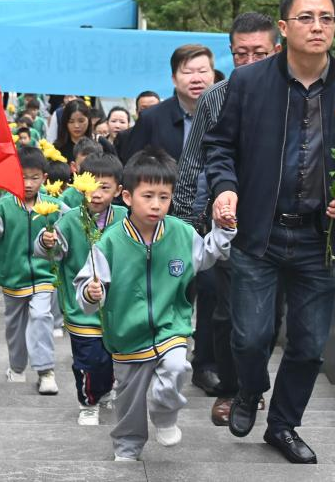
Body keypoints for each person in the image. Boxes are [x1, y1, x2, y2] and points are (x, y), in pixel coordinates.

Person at [206, 0, 335, 465]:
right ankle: (248, 390)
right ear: (284, 28)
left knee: (308, 346)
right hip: (259, 233)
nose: (318, 26)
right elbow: (219, 147)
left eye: (326, 18)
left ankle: (282, 426)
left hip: (316, 238)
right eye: (306, 18)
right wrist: (226, 189)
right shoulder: (247, 83)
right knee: (250, 336)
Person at [75, 151, 235, 463]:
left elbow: (207, 255)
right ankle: (127, 446)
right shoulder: (109, 242)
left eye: (164, 196)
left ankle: (164, 413)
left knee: (176, 367)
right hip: (126, 335)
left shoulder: (180, 233)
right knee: (129, 401)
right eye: (147, 196)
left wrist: (223, 230)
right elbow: (86, 289)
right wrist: (92, 293)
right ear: (127, 196)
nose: (156, 204)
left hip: (171, 325)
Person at [170, 12, 282, 424]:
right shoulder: (216, 97)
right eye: (241, 54)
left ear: (278, 50)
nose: (249, 62)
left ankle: (251, 384)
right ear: (230, 53)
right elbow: (193, 161)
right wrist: (180, 226)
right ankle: (235, 390)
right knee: (228, 312)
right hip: (228, 225)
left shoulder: (296, 95)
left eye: (260, 54)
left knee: (270, 319)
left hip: (283, 227)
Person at [35, 153, 127, 426]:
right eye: (91, 187)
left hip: (115, 307)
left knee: (110, 357)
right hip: (81, 307)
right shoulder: (69, 219)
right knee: (87, 359)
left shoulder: (124, 218)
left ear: (120, 191)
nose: (96, 194)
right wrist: (48, 240)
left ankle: (106, 388)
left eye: (105, 187)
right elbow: (52, 253)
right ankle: (87, 401)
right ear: (79, 186)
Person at [0, 146, 61, 396]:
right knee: (15, 326)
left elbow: (67, 236)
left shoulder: (55, 206)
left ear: (44, 178)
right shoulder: (3, 205)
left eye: (35, 177)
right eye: (22, 176)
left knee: (41, 316)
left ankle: (46, 371)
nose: (28, 183)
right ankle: (16, 366)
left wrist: (54, 243)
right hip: (12, 277)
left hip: (45, 275)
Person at [119, 45, 214, 163]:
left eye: (202, 71)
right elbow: (131, 168)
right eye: (188, 72)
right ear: (174, 79)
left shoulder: (229, 113)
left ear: (213, 75)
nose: (196, 79)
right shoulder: (150, 119)